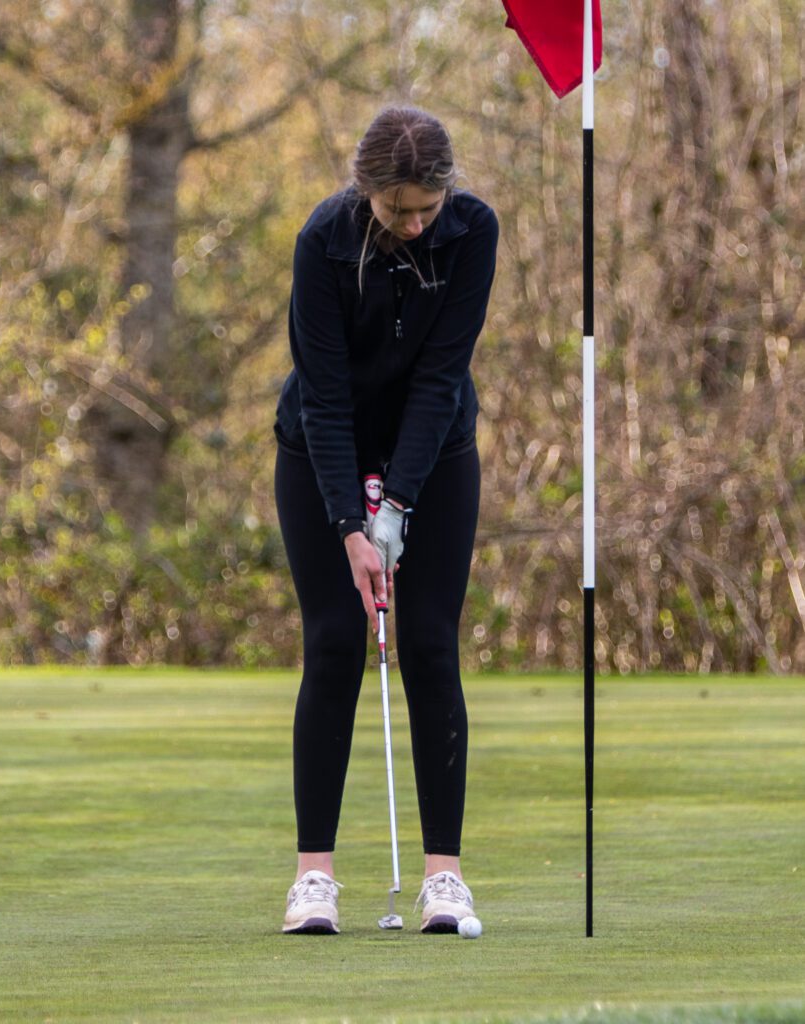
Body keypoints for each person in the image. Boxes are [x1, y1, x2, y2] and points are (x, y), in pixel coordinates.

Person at [273, 106, 499, 934]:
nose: (411, 224)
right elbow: (325, 399)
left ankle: (445, 878)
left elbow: (442, 377)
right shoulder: (323, 241)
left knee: (431, 641)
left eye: (424, 210)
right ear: (364, 190)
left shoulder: (472, 232)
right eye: (395, 209)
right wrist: (351, 527)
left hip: (435, 448)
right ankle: (313, 880)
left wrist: (397, 506)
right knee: (334, 639)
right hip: (319, 447)